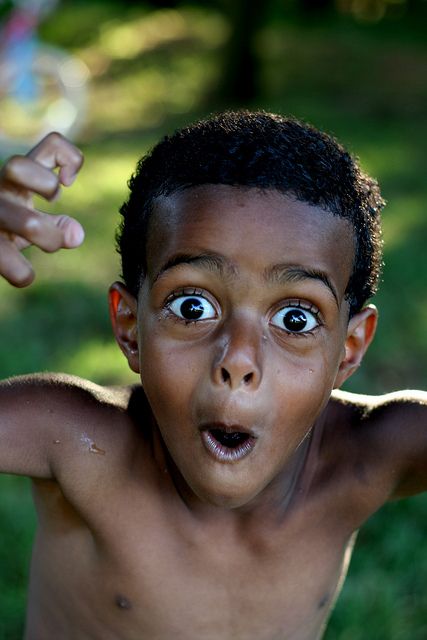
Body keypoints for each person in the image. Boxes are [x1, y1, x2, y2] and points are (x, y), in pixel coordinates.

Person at [0, 111, 425, 640]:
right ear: (131, 327)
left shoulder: (367, 457)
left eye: (296, 318)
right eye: (194, 306)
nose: (239, 360)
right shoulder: (73, 443)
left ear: (349, 347)